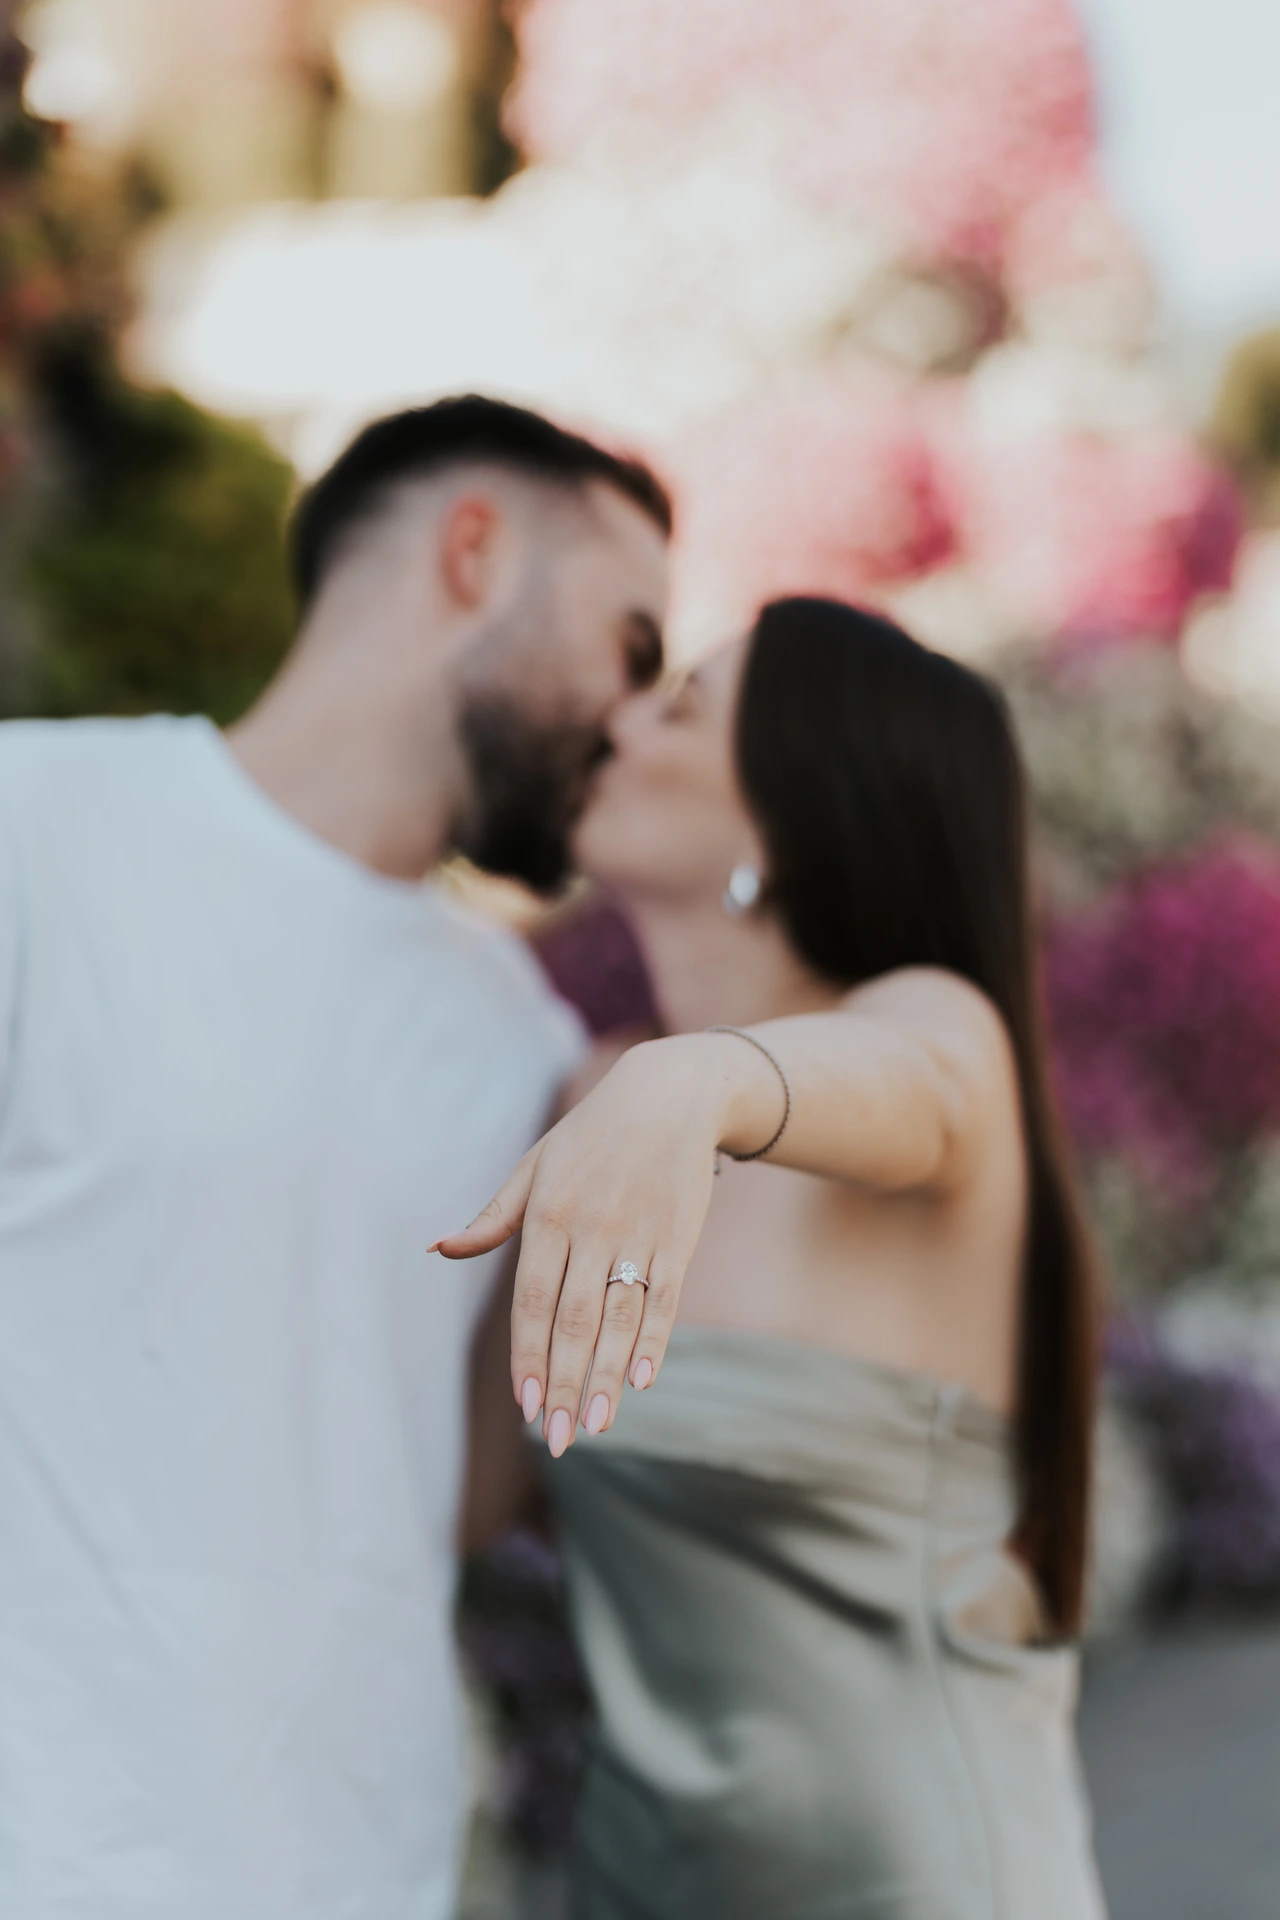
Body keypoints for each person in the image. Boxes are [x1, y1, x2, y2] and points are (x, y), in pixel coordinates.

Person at [0, 395, 669, 1919]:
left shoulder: (516, 1028)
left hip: (369, 1867)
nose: (636, 724)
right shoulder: (35, 829)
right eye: (630, 648)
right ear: (477, 551)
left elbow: (446, 1487)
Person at [444, 597, 1108, 1918]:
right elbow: (458, 1504)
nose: (616, 720)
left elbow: (907, 1074)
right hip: (638, 1882)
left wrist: (693, 1084)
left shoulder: (935, 1035)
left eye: (678, 703)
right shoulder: (591, 1103)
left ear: (790, 815)